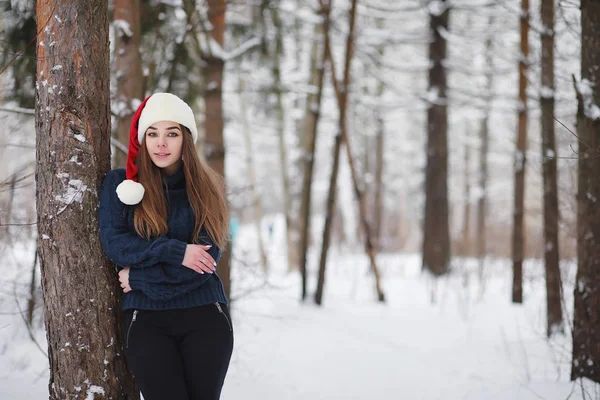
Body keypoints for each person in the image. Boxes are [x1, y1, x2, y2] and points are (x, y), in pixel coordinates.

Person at [99, 93, 233, 400]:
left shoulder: (206, 190)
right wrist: (175, 251)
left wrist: (139, 279)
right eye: (153, 133)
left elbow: (204, 265)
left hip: (206, 319)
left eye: (171, 133)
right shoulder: (121, 187)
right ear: (142, 139)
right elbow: (117, 245)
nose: (161, 143)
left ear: (186, 138)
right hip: (147, 323)